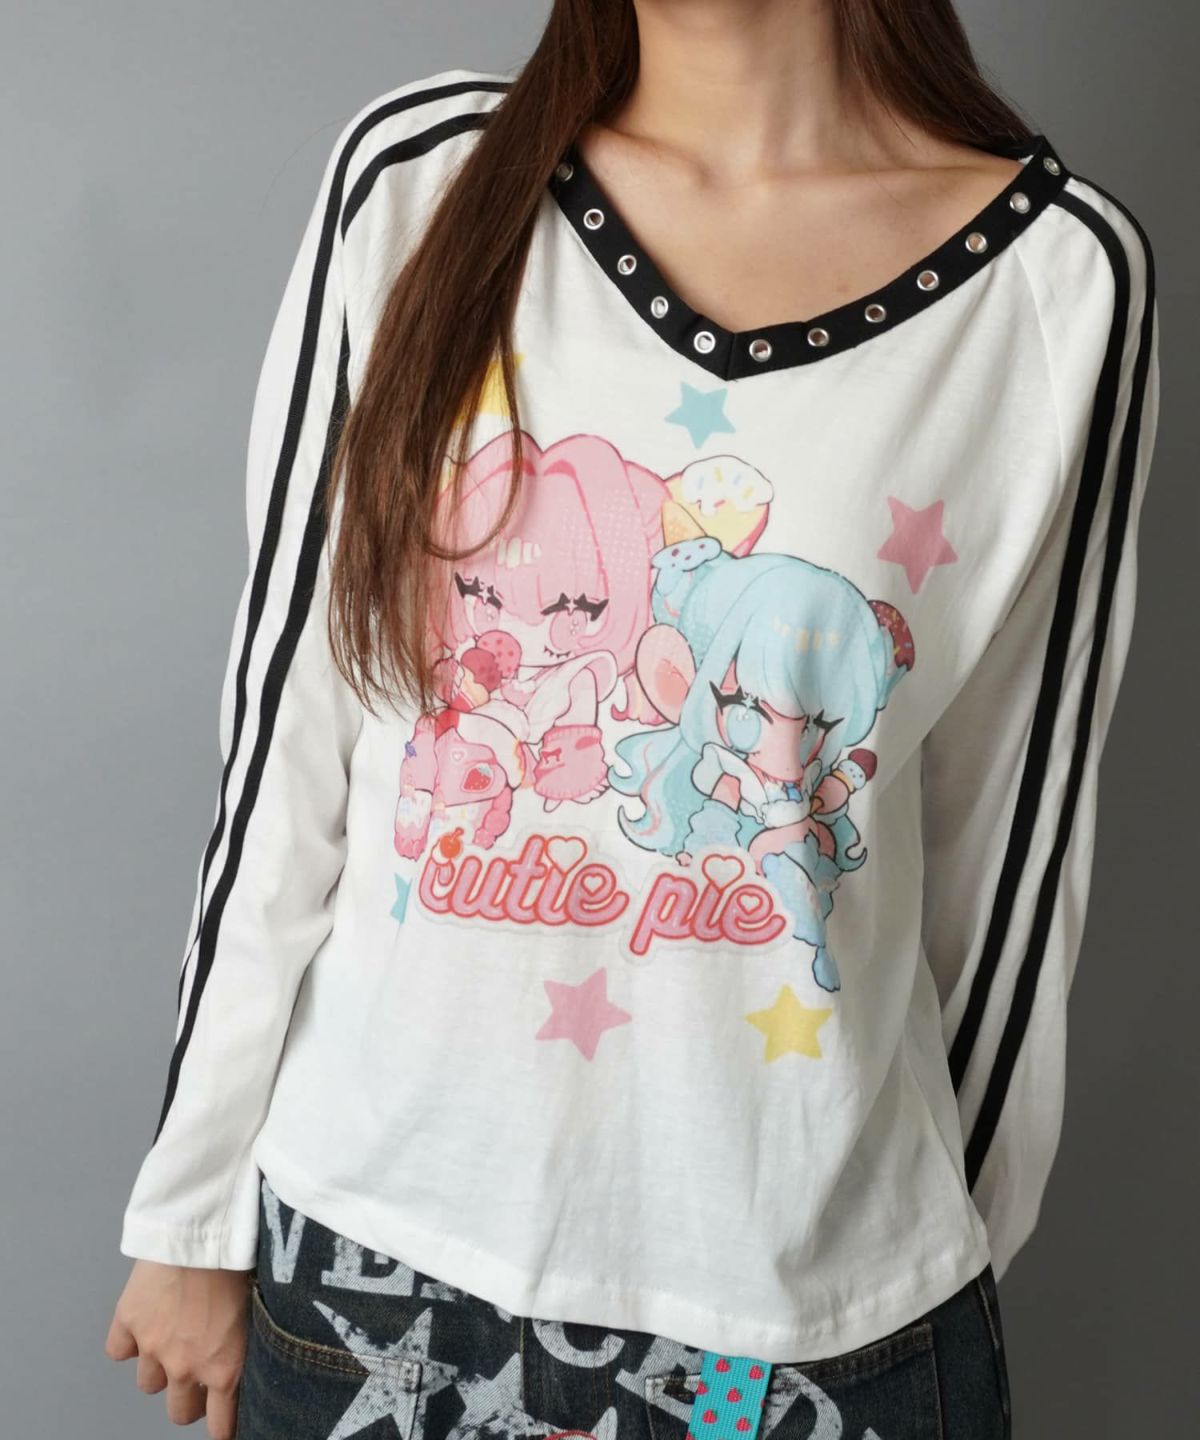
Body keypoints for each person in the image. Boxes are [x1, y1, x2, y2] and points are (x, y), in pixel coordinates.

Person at [104, 2, 1159, 1438]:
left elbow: (1009, 859)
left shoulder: (1057, 278)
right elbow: (289, 740)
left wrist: (892, 1254)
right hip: (375, 1277)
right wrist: (194, 1203)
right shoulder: (421, 178)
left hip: (812, 1327)